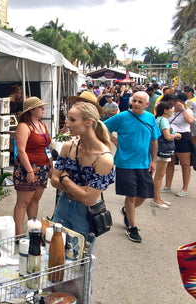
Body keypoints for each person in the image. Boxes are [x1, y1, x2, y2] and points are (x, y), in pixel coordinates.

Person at [51, 102, 114, 238]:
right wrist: (80, 191)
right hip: (62, 207)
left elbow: (89, 199)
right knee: (54, 253)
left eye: (72, 120)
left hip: (85, 215)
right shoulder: (68, 146)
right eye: (68, 118)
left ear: (88, 122)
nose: (67, 123)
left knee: (79, 257)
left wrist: (66, 180)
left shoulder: (104, 158)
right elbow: (54, 180)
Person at [104, 91, 160, 243]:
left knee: (144, 194)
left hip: (144, 163)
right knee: (131, 195)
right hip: (125, 162)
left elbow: (154, 140)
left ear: (147, 105)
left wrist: (154, 160)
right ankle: (132, 227)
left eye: (140, 102)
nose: (136, 104)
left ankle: (127, 211)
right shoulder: (122, 117)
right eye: (134, 100)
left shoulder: (150, 118)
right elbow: (102, 127)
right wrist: (114, 140)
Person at [12, 97, 52, 235]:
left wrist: (51, 165)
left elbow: (47, 147)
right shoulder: (24, 126)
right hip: (28, 167)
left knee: (35, 200)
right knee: (23, 202)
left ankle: (32, 229)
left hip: (42, 167)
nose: (43, 109)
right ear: (32, 110)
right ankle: (18, 234)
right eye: (40, 107)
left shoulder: (41, 124)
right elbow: (21, 150)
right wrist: (29, 170)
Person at [163, 92, 194, 197]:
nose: (173, 103)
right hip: (171, 137)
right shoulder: (171, 111)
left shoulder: (188, 111)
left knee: (185, 164)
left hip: (183, 137)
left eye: (176, 102)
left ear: (181, 102)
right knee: (169, 162)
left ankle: (185, 188)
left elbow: (190, 120)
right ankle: (167, 185)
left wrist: (183, 109)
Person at [152, 101, 181, 209]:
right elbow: (168, 136)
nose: (173, 110)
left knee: (160, 175)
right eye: (171, 108)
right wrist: (176, 135)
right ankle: (156, 199)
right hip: (163, 150)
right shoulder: (163, 120)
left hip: (158, 149)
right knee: (159, 175)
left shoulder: (158, 119)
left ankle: (158, 197)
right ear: (165, 110)